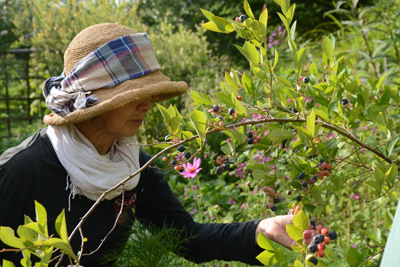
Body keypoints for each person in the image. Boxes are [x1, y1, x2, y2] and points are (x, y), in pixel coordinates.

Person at [0, 23, 296, 266]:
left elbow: (188, 238)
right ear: (94, 101)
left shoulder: (131, 168)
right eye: (132, 96)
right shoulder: (20, 171)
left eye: (148, 94)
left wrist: (259, 230)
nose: (147, 105)